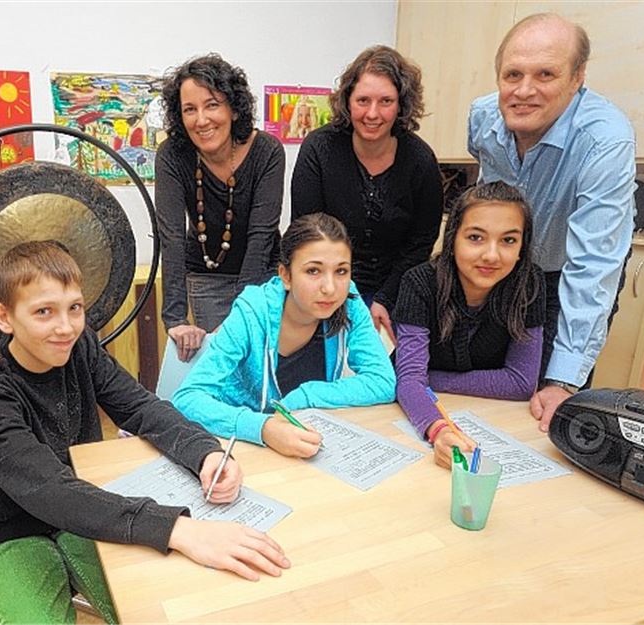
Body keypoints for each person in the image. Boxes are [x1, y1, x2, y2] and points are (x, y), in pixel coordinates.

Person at [0, 241, 290, 624]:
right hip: (5, 532)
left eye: (75, 308)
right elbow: (47, 489)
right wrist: (178, 528)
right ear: (4, 317)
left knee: (158, 609)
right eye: (44, 312)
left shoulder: (80, 347)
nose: (66, 327)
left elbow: (141, 407)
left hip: (87, 508)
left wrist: (204, 452)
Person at [467, 13, 636, 432]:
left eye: (545, 74)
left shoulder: (606, 139)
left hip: (570, 270)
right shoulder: (483, 117)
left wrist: (563, 380)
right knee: (494, 382)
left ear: (578, 77)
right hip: (509, 265)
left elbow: (593, 267)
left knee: (548, 401)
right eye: (513, 74)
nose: (524, 91)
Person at [172, 213, 396, 459]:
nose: (330, 288)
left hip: (297, 443)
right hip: (234, 445)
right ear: (286, 276)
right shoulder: (252, 312)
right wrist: (264, 428)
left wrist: (306, 395)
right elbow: (187, 399)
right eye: (313, 271)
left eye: (341, 271)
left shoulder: (348, 301)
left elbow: (382, 381)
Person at [291, 45, 443, 343]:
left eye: (386, 101)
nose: (373, 114)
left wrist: (385, 298)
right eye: (363, 100)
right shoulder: (319, 149)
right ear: (347, 101)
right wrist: (344, 297)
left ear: (401, 104)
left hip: (398, 290)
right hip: (328, 286)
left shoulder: (420, 159)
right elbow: (308, 231)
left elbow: (421, 242)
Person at [393, 182, 546, 469]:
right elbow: (410, 380)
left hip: (491, 415)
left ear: (522, 247)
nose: (491, 255)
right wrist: (438, 430)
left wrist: (429, 378)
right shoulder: (419, 282)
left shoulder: (529, 283)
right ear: (453, 239)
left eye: (508, 240)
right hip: (422, 410)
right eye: (476, 238)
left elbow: (522, 383)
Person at [156, 54, 285, 362]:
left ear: (234, 108)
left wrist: (241, 312)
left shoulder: (267, 151)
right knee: (224, 367)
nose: (201, 120)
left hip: (264, 277)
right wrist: (174, 319)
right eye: (190, 109)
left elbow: (262, 235)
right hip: (207, 278)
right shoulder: (172, 155)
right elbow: (171, 237)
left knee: (262, 366)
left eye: (212, 105)